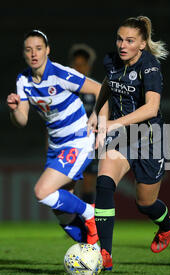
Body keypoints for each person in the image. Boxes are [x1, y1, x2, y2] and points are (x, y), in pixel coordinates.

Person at [87, 16, 170, 271]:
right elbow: (108, 86)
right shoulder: (111, 60)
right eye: (119, 39)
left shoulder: (150, 67)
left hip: (151, 139)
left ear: (142, 44)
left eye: (129, 40)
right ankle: (104, 255)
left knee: (145, 203)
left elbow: (152, 108)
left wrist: (115, 123)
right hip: (122, 137)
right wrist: (98, 114)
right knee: (104, 184)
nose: (122, 45)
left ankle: (167, 224)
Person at [6, 30, 102, 246]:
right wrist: (13, 110)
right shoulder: (23, 80)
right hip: (56, 146)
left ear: (47, 50)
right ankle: (97, 254)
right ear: (24, 53)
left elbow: (100, 89)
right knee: (62, 214)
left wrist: (97, 117)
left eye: (38, 48)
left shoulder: (60, 74)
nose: (34, 54)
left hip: (78, 141)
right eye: (29, 49)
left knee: (42, 191)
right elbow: (22, 120)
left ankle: (89, 211)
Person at [69, 43, 99, 204]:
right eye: (76, 65)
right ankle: (74, 224)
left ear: (88, 67)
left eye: (82, 65)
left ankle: (89, 226)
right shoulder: (65, 90)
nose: (79, 69)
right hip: (68, 144)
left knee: (88, 186)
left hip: (90, 145)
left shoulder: (96, 91)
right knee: (68, 186)